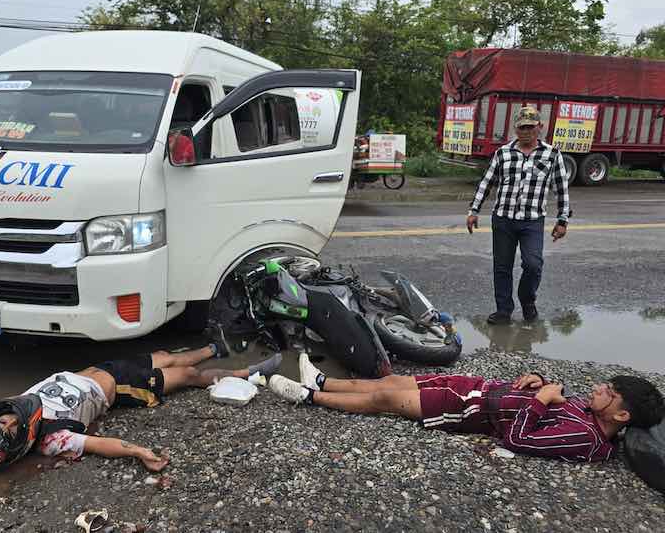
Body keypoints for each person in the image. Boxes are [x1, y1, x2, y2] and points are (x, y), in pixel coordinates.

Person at [267, 354, 664, 463]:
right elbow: (553, 402)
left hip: (468, 412)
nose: (598, 389)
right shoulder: (589, 414)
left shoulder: (586, 438)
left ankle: (310, 397)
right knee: (395, 382)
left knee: (384, 400)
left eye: (608, 392)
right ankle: (322, 380)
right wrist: (539, 382)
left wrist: (540, 400)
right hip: (478, 389)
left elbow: (520, 438)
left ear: (622, 415)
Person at [0, 340, 282, 473]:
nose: (8, 419)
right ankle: (250, 373)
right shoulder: (51, 441)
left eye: (2, 419)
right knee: (187, 376)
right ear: (19, 443)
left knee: (165, 355)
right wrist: (139, 452)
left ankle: (217, 346)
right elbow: (100, 445)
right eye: (9, 428)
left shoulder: (17, 404)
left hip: (99, 369)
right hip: (120, 388)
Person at [466, 106, 570, 325]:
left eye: (530, 127)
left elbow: (561, 189)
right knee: (502, 267)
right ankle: (503, 310)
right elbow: (487, 182)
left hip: (532, 221)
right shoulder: (502, 153)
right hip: (503, 219)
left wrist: (563, 220)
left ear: (539, 127)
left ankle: (527, 299)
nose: (526, 131)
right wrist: (474, 210)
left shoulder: (552, 154)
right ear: (516, 128)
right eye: (522, 127)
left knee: (533, 264)